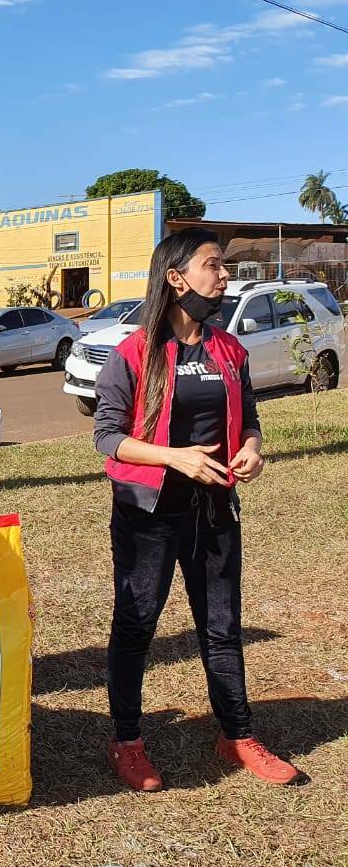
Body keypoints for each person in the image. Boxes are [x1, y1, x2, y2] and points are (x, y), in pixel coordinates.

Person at [93, 227, 303, 792]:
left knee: (221, 624)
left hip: (216, 509)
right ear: (176, 276)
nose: (224, 274)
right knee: (136, 625)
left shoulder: (229, 349)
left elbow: (251, 416)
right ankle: (128, 741)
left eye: (224, 265)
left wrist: (253, 449)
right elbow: (108, 438)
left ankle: (237, 734)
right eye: (213, 264)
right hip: (149, 511)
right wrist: (173, 458)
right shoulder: (133, 353)